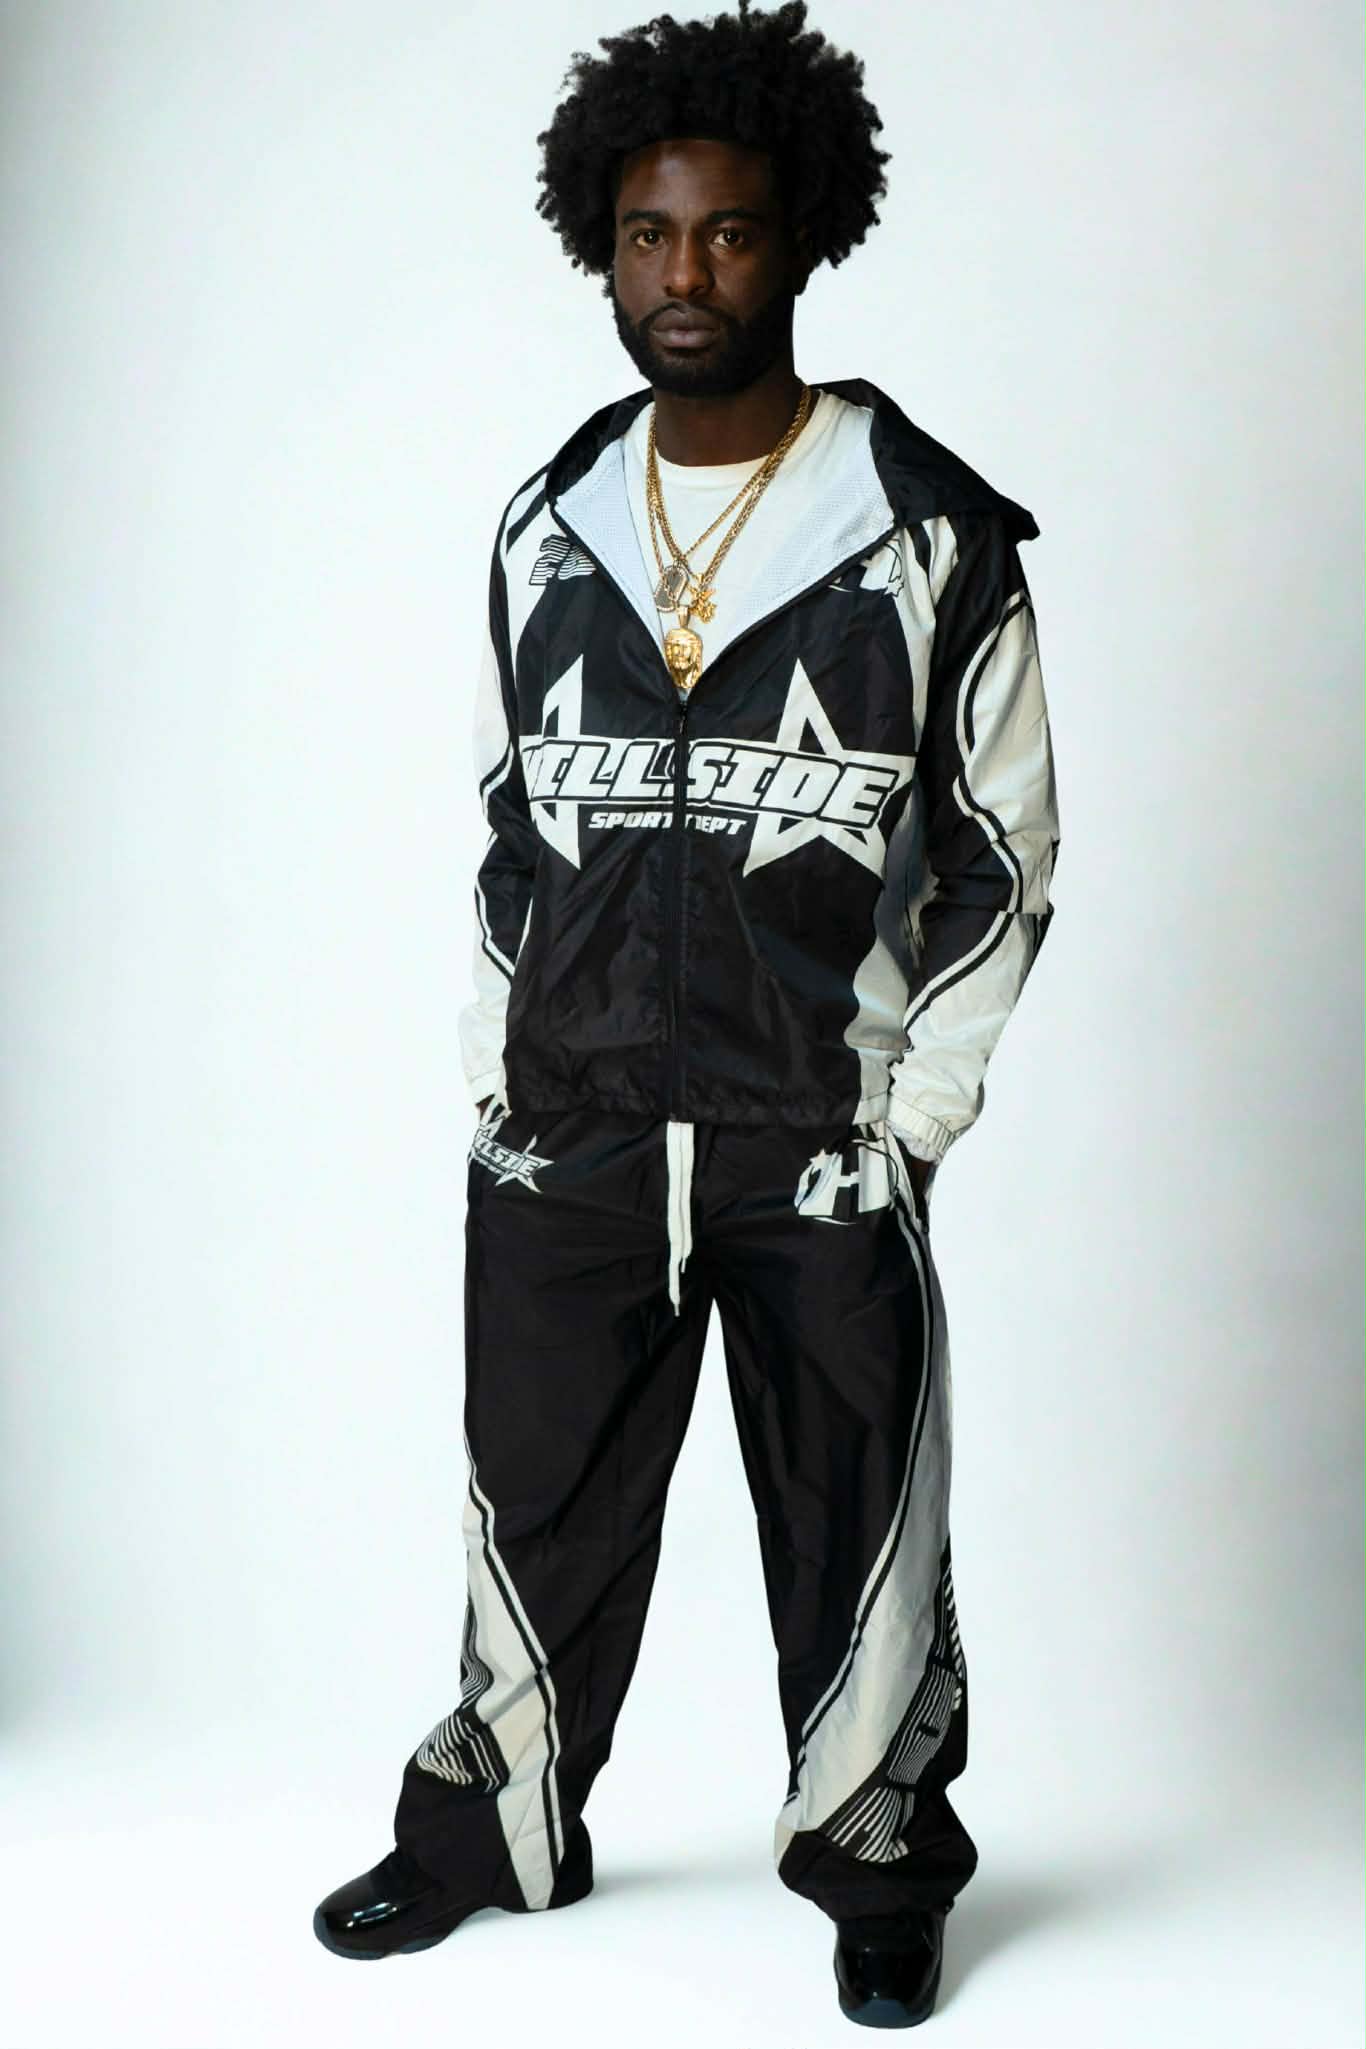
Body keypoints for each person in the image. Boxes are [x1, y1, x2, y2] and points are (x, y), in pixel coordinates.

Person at [313, 0, 1060, 2026]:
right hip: (568, 1119)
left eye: (726, 232)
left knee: (854, 1504)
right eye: (647, 234)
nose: (683, 275)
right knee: (532, 1493)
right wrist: (500, 1074)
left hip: (806, 1128)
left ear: (797, 236)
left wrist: (906, 1113)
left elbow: (1000, 853)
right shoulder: (544, 519)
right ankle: (491, 1829)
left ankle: (876, 1856)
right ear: (602, 239)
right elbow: (510, 826)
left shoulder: (925, 530)